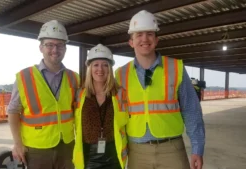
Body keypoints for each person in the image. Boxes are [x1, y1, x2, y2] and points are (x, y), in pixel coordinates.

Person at [115, 10, 205, 169]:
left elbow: (191, 110)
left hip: (171, 149)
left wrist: (197, 148)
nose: (144, 39)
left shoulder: (176, 68)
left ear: (156, 40)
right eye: (139, 34)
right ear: (131, 42)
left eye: (149, 34)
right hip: (137, 152)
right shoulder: (121, 74)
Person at [7, 20, 80, 169]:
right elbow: (13, 111)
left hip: (66, 146)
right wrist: (17, 144)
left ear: (65, 49)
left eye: (60, 45)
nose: (55, 49)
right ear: (41, 47)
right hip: (36, 149)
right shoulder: (24, 77)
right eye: (50, 45)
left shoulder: (75, 78)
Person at [72, 44, 128, 169]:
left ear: (110, 69)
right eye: (96, 65)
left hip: (114, 155)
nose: (100, 69)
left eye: (105, 65)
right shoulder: (79, 95)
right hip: (88, 157)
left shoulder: (120, 94)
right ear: (89, 68)